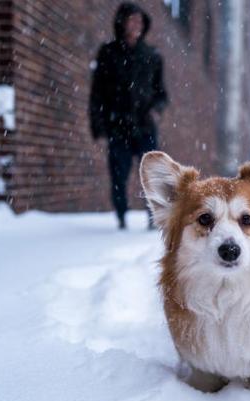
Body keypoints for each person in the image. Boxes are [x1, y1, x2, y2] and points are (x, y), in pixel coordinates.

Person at [89, 2, 168, 230]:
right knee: (118, 174)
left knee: (151, 174)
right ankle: (121, 216)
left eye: (140, 21)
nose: (136, 25)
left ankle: (153, 217)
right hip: (118, 125)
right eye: (132, 20)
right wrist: (99, 124)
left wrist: (156, 109)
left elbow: (161, 93)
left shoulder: (152, 56)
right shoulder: (108, 53)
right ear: (121, 23)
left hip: (145, 125)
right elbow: (98, 93)